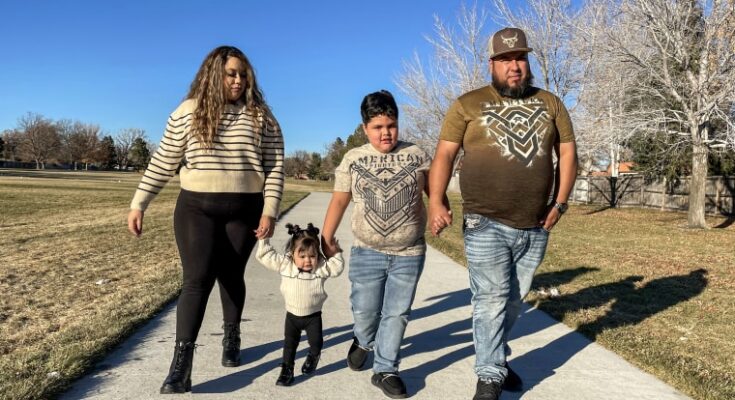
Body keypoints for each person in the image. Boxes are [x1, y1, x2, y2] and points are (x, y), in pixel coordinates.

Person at [428, 27, 578, 400]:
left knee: (514, 300)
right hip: (484, 219)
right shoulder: (467, 104)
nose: (515, 66)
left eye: (520, 58)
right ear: (492, 63)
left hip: (535, 223)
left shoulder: (552, 103)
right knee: (492, 297)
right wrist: (436, 200)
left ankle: (495, 355)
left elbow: (569, 154)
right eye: (506, 59)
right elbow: (445, 154)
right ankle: (490, 374)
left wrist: (559, 203)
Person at [126, 46, 284, 394]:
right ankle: (181, 365)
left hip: (245, 209)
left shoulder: (263, 117)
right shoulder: (188, 112)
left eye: (243, 74)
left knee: (231, 276)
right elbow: (164, 160)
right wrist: (140, 203)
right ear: (214, 74)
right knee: (196, 279)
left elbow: (274, 168)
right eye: (231, 73)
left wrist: (270, 210)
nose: (239, 80)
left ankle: (232, 334)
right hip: (196, 208)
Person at [321, 90, 445, 399]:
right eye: (377, 127)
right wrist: (326, 237)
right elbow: (339, 200)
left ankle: (386, 368)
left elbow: (433, 191)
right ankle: (363, 340)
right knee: (365, 311)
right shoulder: (353, 159)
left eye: (391, 125)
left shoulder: (417, 154)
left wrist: (439, 209)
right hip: (366, 250)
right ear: (365, 128)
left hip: (409, 251)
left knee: (397, 312)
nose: (385, 132)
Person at [255, 223, 344, 386]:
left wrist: (335, 251)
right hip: (292, 317)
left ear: (318, 255)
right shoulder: (286, 265)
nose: (307, 261)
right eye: (302, 256)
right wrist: (264, 240)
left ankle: (313, 355)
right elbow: (265, 256)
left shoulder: (320, 268)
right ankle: (286, 370)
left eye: (312, 256)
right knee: (289, 346)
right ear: (292, 254)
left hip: (313, 317)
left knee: (316, 343)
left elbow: (337, 268)